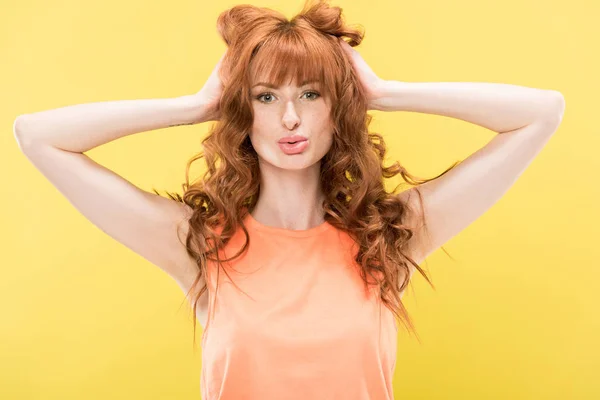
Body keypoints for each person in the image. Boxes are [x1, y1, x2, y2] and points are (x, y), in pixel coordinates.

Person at [13, 0, 565, 398]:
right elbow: (37, 136)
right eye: (266, 96)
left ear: (335, 107)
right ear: (244, 111)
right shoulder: (198, 244)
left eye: (310, 93)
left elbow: (542, 113)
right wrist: (196, 103)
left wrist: (382, 93)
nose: (291, 117)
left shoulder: (390, 237)